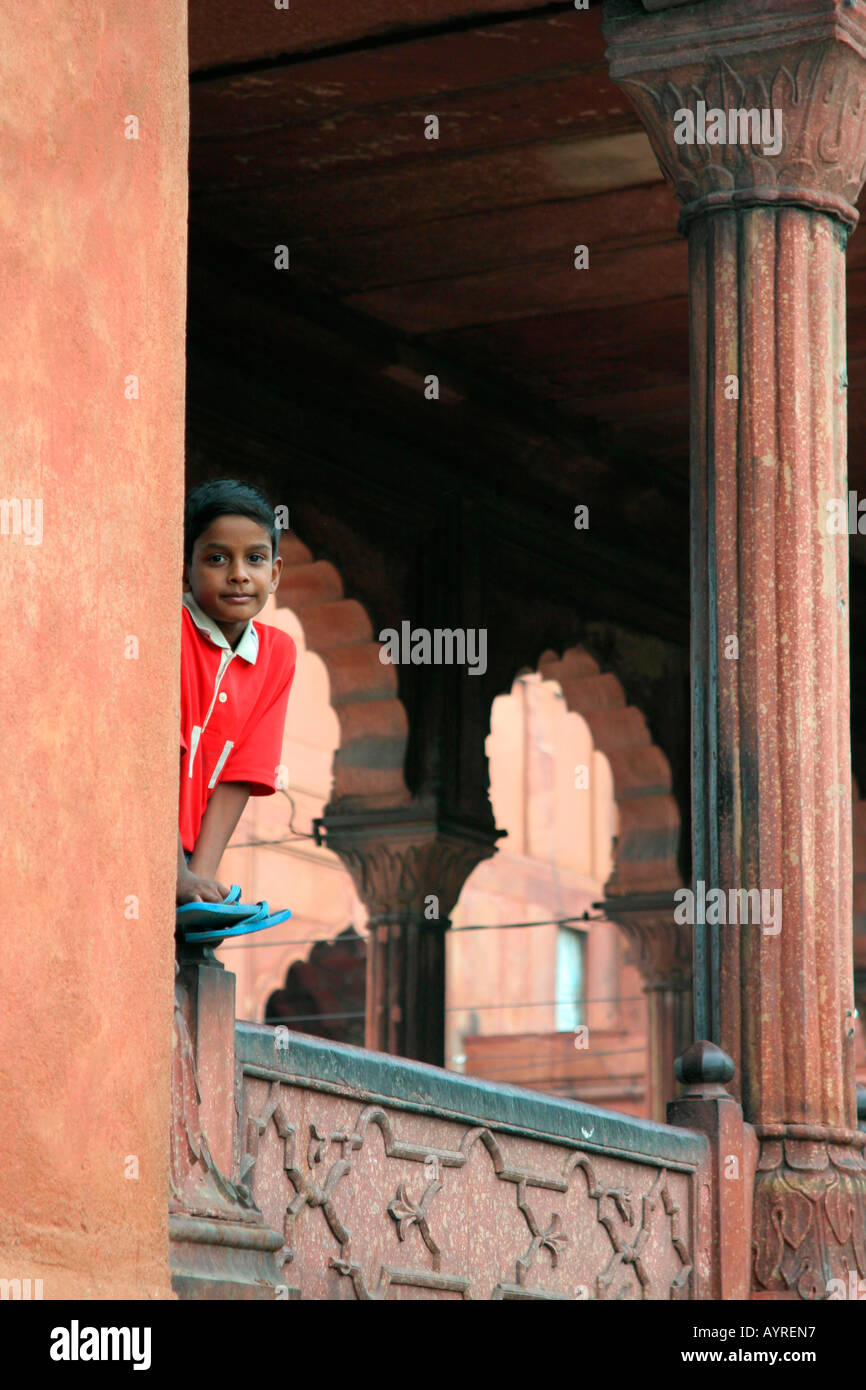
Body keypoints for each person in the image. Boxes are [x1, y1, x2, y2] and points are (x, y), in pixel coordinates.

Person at [177, 478, 296, 905]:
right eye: (217, 558)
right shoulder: (169, 630)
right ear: (183, 566)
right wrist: (173, 872)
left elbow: (240, 774)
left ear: (275, 573)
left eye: (256, 559)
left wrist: (198, 882)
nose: (239, 575)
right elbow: (147, 757)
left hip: (185, 856)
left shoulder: (276, 654)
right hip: (131, 844)